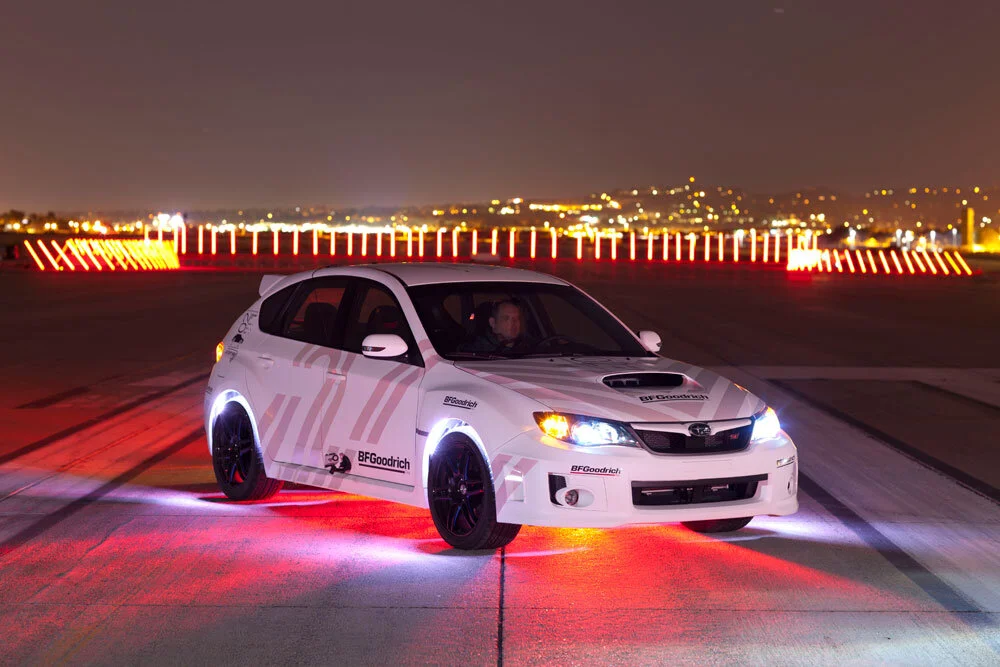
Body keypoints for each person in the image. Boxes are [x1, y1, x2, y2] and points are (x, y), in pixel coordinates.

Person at [459, 299, 534, 353]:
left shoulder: (530, 347)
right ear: (493, 323)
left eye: (516, 318)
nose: (513, 322)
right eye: (506, 318)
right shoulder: (477, 351)